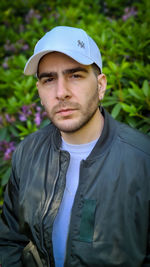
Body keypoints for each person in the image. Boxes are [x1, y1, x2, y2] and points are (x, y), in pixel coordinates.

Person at [0, 26, 150, 267]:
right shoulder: (27, 153)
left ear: (101, 85)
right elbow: (9, 240)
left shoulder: (143, 160)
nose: (61, 93)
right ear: (39, 91)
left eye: (75, 76)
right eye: (49, 79)